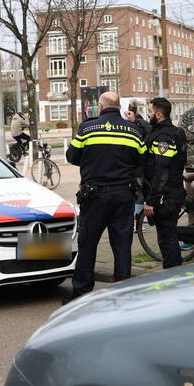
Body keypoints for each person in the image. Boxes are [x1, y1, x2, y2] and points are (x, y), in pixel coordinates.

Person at [66, 91, 145, 301]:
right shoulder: (133, 131)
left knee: (88, 245)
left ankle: (81, 294)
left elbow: (72, 156)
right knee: (122, 245)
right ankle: (125, 292)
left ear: (100, 108)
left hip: (94, 197)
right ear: (119, 107)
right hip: (123, 196)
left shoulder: (87, 128)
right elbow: (142, 161)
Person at [142, 97, 187, 268]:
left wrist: (151, 201)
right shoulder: (167, 132)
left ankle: (174, 276)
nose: (148, 114)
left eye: (150, 111)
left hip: (166, 196)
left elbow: (161, 172)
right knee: (168, 237)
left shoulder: (165, 137)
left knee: (167, 240)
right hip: (169, 193)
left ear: (159, 114)